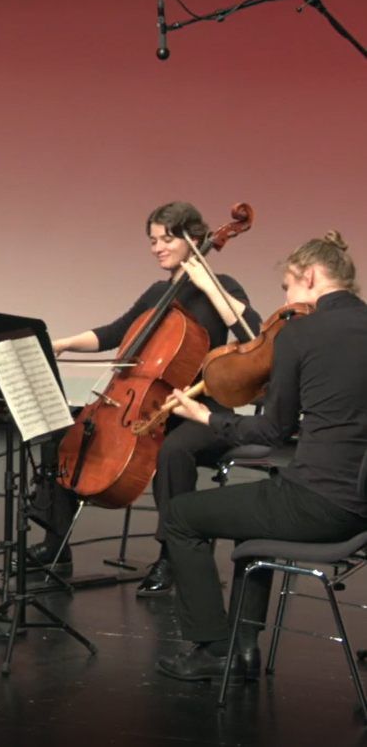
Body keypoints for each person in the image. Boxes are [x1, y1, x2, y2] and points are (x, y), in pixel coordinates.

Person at [158, 231, 367, 681]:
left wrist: (205, 418)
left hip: (319, 505)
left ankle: (214, 648)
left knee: (180, 515)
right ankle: (244, 646)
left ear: (309, 277)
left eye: (288, 288)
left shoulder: (302, 333)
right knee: (250, 512)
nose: (288, 300)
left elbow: (274, 430)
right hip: (360, 504)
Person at [29, 201, 261, 596]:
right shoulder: (159, 291)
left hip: (201, 412)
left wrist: (208, 286)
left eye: (166, 238)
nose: (157, 247)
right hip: (146, 403)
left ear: (194, 238)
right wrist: (65, 343)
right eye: (152, 241)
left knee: (173, 450)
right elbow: (116, 332)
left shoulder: (224, 287)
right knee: (67, 434)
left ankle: (172, 556)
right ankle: (56, 543)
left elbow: (252, 335)